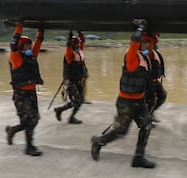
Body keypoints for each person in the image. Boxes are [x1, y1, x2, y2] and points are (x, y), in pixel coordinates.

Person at [91, 19, 156, 168]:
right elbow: (134, 40)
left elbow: (152, 40)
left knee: (146, 126)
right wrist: (140, 28)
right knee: (121, 132)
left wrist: (150, 29)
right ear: (139, 44)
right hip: (126, 102)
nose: (147, 45)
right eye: (144, 43)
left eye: (148, 43)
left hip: (139, 102)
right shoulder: (132, 57)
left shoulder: (146, 57)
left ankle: (138, 158)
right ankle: (98, 141)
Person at [6, 23, 44, 156]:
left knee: (31, 120)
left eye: (29, 44)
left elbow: (38, 43)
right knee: (31, 120)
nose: (29, 47)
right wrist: (19, 25)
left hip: (32, 93)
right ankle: (29, 147)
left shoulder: (31, 57)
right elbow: (13, 42)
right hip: (21, 94)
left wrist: (41, 29)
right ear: (21, 47)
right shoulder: (16, 58)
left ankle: (12, 130)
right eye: (26, 45)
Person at [54, 31, 88, 124]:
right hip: (70, 81)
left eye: (78, 44)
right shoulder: (69, 55)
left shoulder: (79, 52)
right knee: (76, 101)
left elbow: (83, 41)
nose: (78, 46)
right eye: (76, 45)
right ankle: (59, 110)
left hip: (78, 80)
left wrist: (80, 32)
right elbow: (68, 47)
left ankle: (70, 117)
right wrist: (69, 38)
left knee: (80, 100)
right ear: (73, 46)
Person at [144, 32, 167, 123]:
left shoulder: (154, 50)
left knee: (163, 95)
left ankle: (150, 113)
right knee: (150, 101)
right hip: (148, 82)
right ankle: (147, 119)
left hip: (155, 81)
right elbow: (143, 53)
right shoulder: (146, 51)